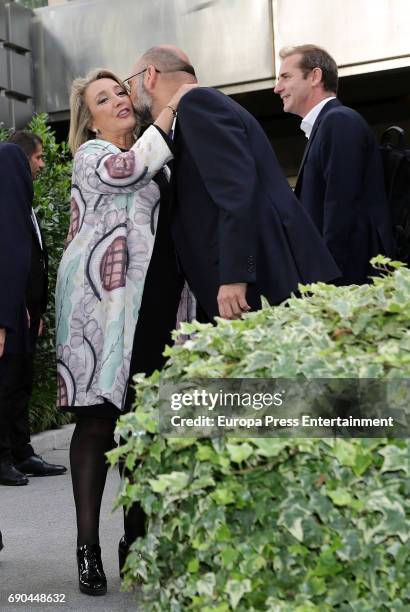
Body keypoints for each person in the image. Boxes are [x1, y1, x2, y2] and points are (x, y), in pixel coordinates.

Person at [56, 68, 192, 595]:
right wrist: (173, 102)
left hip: (152, 303)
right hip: (102, 307)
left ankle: (135, 540)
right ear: (88, 121)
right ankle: (87, 549)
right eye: (103, 98)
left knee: (140, 427)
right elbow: (128, 169)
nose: (117, 100)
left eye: (120, 92)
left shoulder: (157, 151)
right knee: (96, 424)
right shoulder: (92, 157)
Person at [127, 45, 340, 323]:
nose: (128, 95)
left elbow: (236, 191)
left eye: (128, 84)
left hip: (258, 288)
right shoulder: (192, 115)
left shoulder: (197, 104)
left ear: (150, 75)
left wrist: (236, 275)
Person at [274, 44, 394, 285]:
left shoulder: (338, 121)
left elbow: (342, 212)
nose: (277, 88)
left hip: (350, 284)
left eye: (286, 77)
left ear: (315, 77)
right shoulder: (328, 125)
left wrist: (327, 286)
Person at [0, 131, 66, 486]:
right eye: (39, 158)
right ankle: (3, 458)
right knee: (5, 386)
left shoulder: (22, 201)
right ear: (22, 158)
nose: (42, 164)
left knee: (21, 383)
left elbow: (30, 262)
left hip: (25, 314)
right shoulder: (6, 200)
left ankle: (23, 453)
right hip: (8, 312)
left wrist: (33, 310)